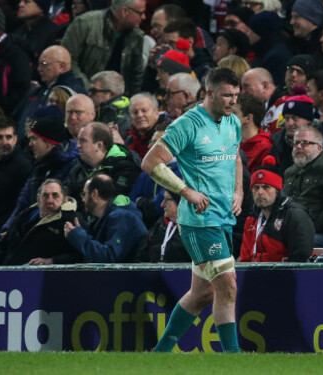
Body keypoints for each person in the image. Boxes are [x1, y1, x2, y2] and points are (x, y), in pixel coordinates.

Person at [141, 67, 243, 353]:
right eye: (227, 95)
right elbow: (150, 162)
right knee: (227, 283)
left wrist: (239, 191)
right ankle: (234, 359)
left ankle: (159, 354)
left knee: (202, 293)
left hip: (223, 216)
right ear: (209, 93)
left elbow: (235, 156)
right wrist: (186, 191)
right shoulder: (188, 124)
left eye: (236, 95)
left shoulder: (233, 122)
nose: (232, 101)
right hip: (199, 220)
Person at [1, 114, 78, 234]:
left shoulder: (70, 167)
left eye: (34, 139)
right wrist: (7, 229)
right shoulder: (40, 166)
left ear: (49, 143)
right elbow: (23, 203)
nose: (30, 144)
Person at [61, 0, 146, 96]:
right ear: (124, 11)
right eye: (141, 13)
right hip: (79, 93)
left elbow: (135, 76)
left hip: (116, 99)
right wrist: (88, 89)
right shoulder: (84, 23)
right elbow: (66, 60)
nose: (144, 17)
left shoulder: (137, 37)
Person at [239, 156, 315, 262]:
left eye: (266, 187)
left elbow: (300, 260)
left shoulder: (294, 215)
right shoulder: (251, 220)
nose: (260, 192)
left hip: (285, 276)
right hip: (256, 275)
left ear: (278, 191)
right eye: (256, 187)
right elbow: (245, 258)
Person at [64, 174, 146, 262]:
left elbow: (109, 258)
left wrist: (78, 236)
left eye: (84, 194)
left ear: (94, 194)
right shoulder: (107, 218)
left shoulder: (122, 217)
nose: (83, 200)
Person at [0, 179, 82, 265]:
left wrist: (52, 261)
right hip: (6, 271)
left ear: (65, 199)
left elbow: (81, 256)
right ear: (38, 199)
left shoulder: (73, 219)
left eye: (55, 195)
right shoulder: (27, 213)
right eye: (45, 195)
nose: (50, 201)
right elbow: (4, 244)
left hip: (42, 275)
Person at [66, 122, 141, 207]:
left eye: (83, 141)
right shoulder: (77, 171)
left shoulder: (125, 167)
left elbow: (115, 204)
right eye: (78, 140)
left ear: (99, 145)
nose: (78, 145)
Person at [0, 116, 33, 229]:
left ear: (15, 139)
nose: (5, 142)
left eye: (8, 137)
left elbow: (20, 206)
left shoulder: (24, 166)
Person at [141, 189, 190, 262]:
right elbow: (142, 254)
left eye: (167, 200)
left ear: (181, 203)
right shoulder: (161, 224)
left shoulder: (196, 231)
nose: (162, 204)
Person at [236, 93, 271, 173]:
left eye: (234, 113)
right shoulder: (230, 142)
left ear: (248, 118)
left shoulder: (265, 147)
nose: (227, 116)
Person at [89, 71, 132, 137]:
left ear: (112, 94)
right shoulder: (100, 111)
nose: (89, 94)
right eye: (90, 90)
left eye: (94, 91)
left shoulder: (122, 119)